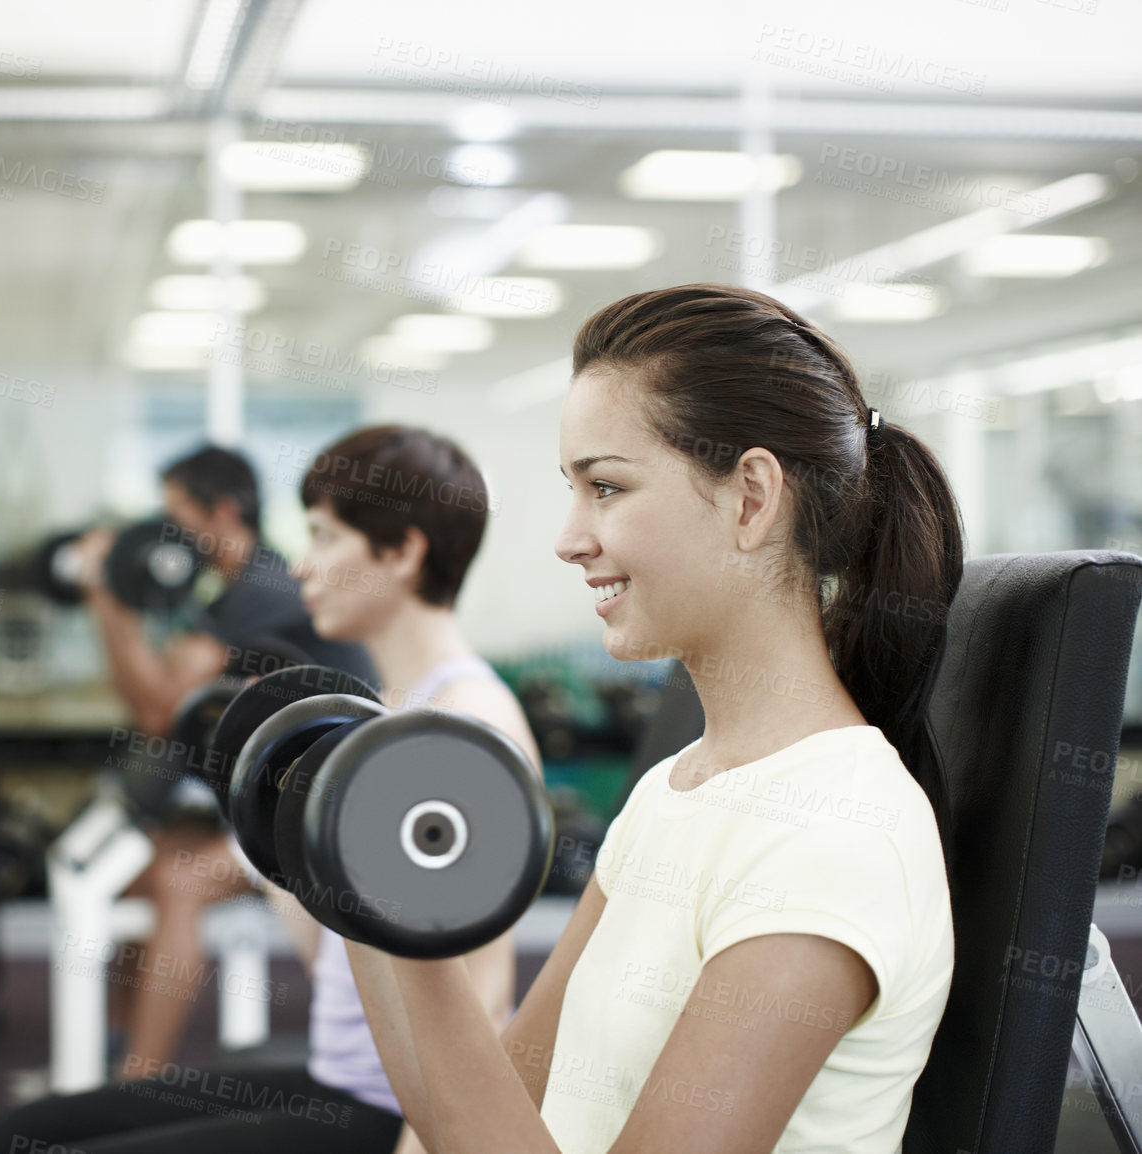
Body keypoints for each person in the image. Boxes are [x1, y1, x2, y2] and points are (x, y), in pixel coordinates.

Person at [342, 283, 962, 1154]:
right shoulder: (672, 791)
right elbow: (487, 1113)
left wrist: (396, 882)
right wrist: (357, 886)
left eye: (605, 487)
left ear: (751, 498)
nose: (568, 538)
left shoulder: (836, 835)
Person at [0, 426, 540, 1154]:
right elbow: (336, 956)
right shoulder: (380, 709)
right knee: (24, 1134)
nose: (302, 566)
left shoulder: (467, 724)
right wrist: (258, 801)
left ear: (402, 552)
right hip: (335, 1078)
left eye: (324, 537)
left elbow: (487, 997)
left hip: (393, 1116)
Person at [70, 444, 377, 1075]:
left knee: (176, 881)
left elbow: (155, 707)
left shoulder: (263, 589)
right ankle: (112, 1041)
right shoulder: (223, 597)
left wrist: (108, 602)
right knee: (136, 864)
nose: (167, 533)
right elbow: (155, 702)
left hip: (325, 804)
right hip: (267, 797)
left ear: (225, 512)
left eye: (178, 515)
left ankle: (138, 1081)